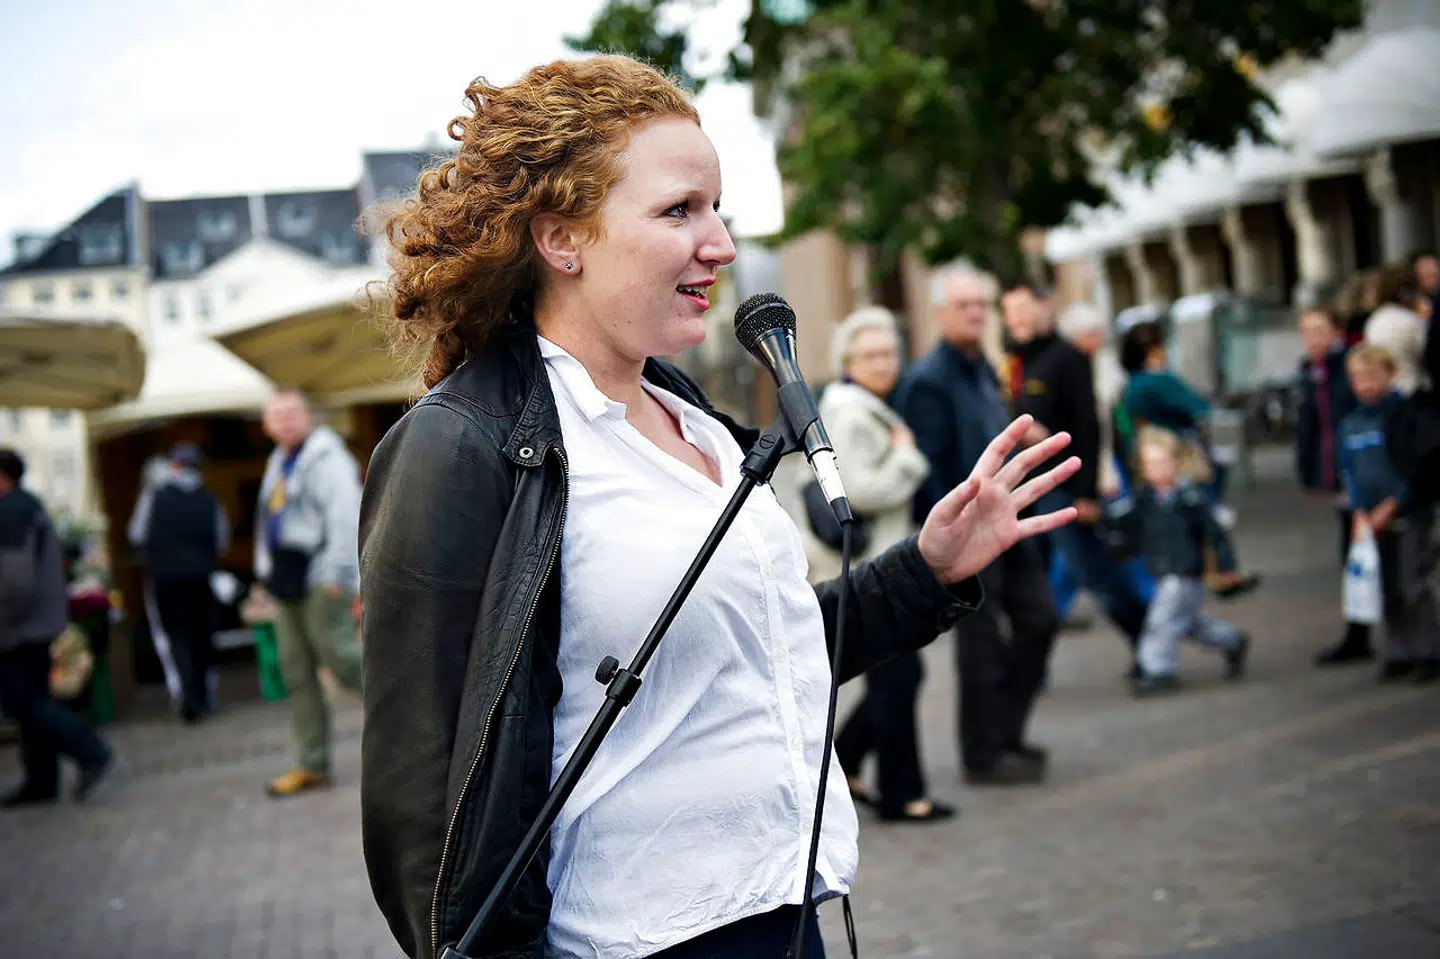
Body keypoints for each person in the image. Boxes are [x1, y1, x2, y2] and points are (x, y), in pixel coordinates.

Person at [356, 56, 1079, 959]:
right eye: (678, 211)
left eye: (717, 207)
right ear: (561, 239)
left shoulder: (696, 418)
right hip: (630, 943)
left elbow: (760, 650)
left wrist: (927, 572)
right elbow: (421, 806)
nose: (723, 243)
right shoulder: (461, 445)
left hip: (785, 914)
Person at [893, 263, 1059, 788]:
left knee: (1040, 620)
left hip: (1011, 522)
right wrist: (957, 533)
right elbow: (931, 472)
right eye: (963, 305)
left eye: (980, 305)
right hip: (968, 536)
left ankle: (1006, 733)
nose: (974, 313)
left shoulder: (982, 368)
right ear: (940, 313)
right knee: (981, 647)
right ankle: (984, 754)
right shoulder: (928, 381)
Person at [804, 307, 952, 824]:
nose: (881, 363)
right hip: (870, 566)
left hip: (876, 562)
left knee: (898, 674)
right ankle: (902, 794)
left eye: (888, 352)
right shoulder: (850, 412)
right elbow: (856, 489)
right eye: (868, 355)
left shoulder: (864, 405)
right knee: (899, 674)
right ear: (847, 360)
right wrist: (908, 458)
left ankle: (846, 764)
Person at [1000, 281, 1148, 657]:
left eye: (1022, 308)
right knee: (1040, 580)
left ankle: (1149, 640)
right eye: (1008, 310)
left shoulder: (1066, 357)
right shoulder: (1019, 360)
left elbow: (1088, 424)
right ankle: (1032, 662)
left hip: (1064, 488)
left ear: (1043, 308)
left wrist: (1086, 492)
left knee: (1095, 574)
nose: (1014, 318)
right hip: (1028, 488)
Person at [254, 389, 364, 798]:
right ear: (266, 425)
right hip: (286, 582)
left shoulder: (326, 457)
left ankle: (419, 727)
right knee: (296, 673)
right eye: (276, 415)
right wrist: (265, 574)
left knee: (344, 662)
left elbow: (345, 514)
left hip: (321, 577)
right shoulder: (278, 461)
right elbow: (269, 521)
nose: (284, 421)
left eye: (291, 413)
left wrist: (340, 574)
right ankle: (312, 763)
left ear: (308, 418)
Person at [0, 448, 113, 807]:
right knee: (31, 699)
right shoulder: (25, 506)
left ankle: (90, 751)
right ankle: (41, 780)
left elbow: (14, 580)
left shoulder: (12, 511)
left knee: (22, 701)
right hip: (34, 622)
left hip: (20, 626)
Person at [1103, 429, 1251, 695]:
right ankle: (1231, 641)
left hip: (1184, 572)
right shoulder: (1144, 499)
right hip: (1161, 570)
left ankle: (1158, 670)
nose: (1159, 469)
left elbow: (1216, 534)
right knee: (1191, 624)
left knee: (1161, 620)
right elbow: (1121, 520)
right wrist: (1101, 513)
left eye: (1163, 462)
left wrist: (1227, 567)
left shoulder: (1191, 498)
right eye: (1152, 464)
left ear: (1176, 462)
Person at [1336, 345, 1438, 683]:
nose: (1365, 385)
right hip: (1370, 518)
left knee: (1413, 583)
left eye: (1372, 377)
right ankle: (1399, 651)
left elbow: (1414, 467)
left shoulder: (1404, 416)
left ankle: (1428, 649)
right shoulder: (1350, 424)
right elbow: (1349, 470)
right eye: (1358, 379)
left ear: (1390, 374)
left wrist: (1393, 503)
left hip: (1407, 512)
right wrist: (1358, 512)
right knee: (1386, 587)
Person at [128, 442, 229, 722]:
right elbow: (221, 541)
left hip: (165, 579)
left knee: (176, 639)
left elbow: (136, 534)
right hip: (201, 577)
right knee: (201, 638)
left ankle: (188, 698)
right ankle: (203, 696)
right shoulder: (210, 500)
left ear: (173, 467)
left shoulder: (155, 497)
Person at [1293, 307, 1368, 665]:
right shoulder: (1311, 373)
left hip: (1359, 473)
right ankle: (1359, 631)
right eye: (1307, 332)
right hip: (1335, 475)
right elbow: (1309, 425)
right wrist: (1309, 472)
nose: (1314, 339)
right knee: (1352, 555)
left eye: (1320, 330)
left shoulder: (1346, 369)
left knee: (1370, 553)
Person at [1364, 264, 1431, 397]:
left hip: (1387, 390)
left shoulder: (1374, 319)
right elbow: (1427, 351)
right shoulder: (1410, 320)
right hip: (1413, 389)